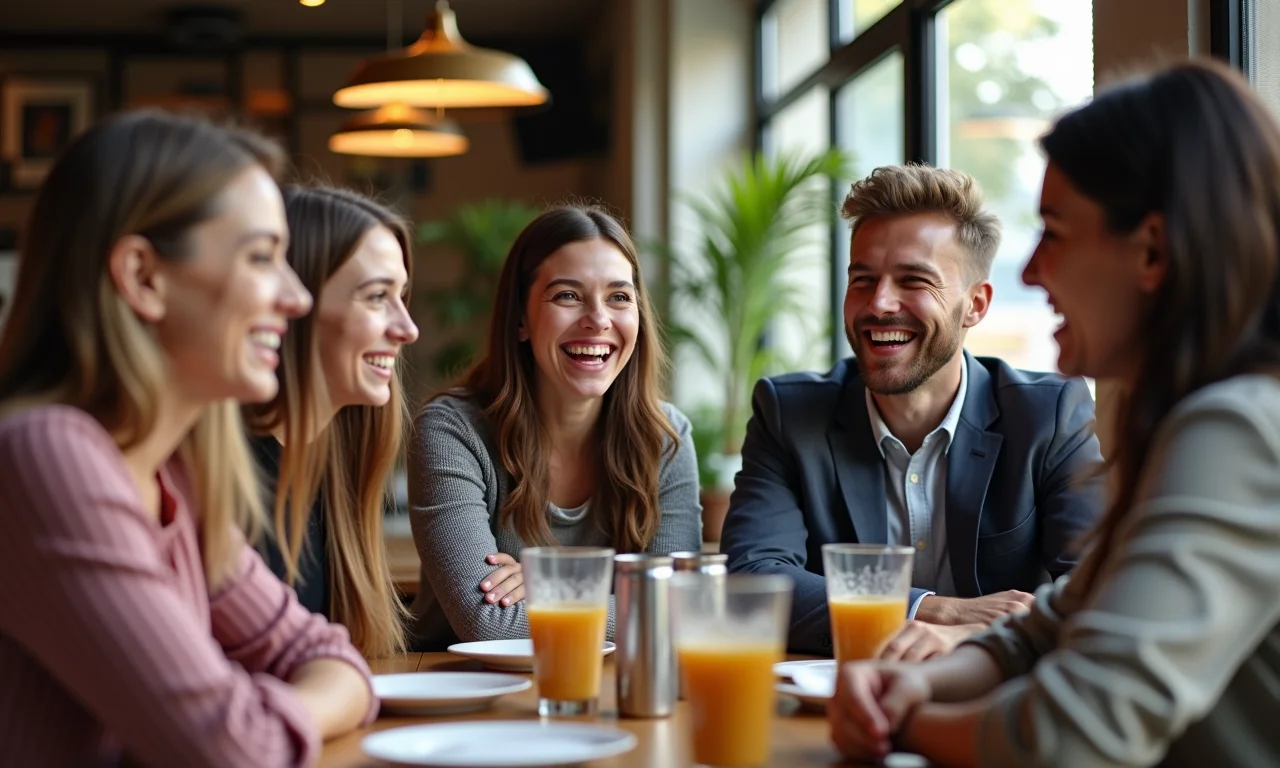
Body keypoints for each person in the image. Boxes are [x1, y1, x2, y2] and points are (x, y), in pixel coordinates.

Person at [827, 59, 1280, 768]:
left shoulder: (1239, 428)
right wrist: (911, 683)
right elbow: (1043, 631)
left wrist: (902, 724)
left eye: (1055, 231)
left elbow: (1073, 732)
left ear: (1153, 251)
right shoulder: (1194, 423)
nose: (1032, 270)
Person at [0, 111, 375, 766]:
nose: (296, 297)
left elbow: (331, 656)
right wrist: (258, 711)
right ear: (144, 276)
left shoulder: (175, 477)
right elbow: (234, 749)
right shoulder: (46, 455)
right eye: (261, 258)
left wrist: (254, 705)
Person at [720, 163, 1105, 659]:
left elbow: (1097, 588)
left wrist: (971, 639)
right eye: (862, 280)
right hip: (835, 702)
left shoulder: (1050, 416)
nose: (879, 304)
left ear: (976, 305)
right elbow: (752, 580)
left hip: (990, 706)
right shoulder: (788, 414)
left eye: (913, 280)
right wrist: (928, 609)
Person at [407, 204, 702, 650]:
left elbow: (683, 611)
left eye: (619, 297)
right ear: (521, 319)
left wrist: (553, 587)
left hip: (621, 693)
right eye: (567, 295)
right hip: (469, 694)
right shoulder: (452, 433)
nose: (598, 319)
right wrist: (633, 601)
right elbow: (488, 626)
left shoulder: (666, 439)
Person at [245, 184, 420, 659]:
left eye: (401, 296)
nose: (407, 328)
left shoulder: (331, 468)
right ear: (292, 303)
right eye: (377, 296)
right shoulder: (228, 480)